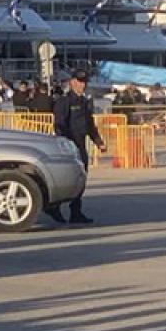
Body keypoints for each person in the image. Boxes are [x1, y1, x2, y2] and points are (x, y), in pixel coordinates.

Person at [48, 69, 107, 225]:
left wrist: (99, 141)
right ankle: (54, 207)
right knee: (66, 179)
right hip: (69, 146)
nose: (82, 85)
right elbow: (59, 125)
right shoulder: (64, 101)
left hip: (81, 145)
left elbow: (89, 125)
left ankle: (76, 212)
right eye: (79, 82)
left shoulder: (84, 101)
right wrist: (65, 144)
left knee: (80, 180)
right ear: (72, 82)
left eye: (84, 82)